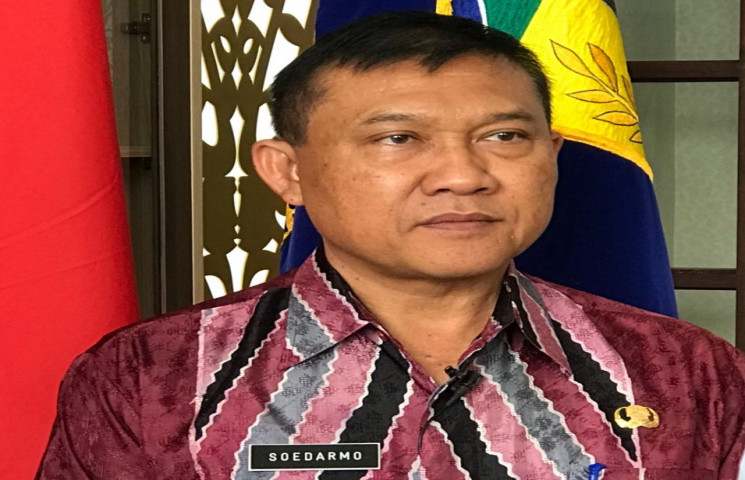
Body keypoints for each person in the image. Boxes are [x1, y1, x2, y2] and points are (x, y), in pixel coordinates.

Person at [37, 11, 745, 480]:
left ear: (552, 156)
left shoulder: (684, 372)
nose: (463, 175)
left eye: (504, 136)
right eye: (398, 139)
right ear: (287, 171)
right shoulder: (156, 376)